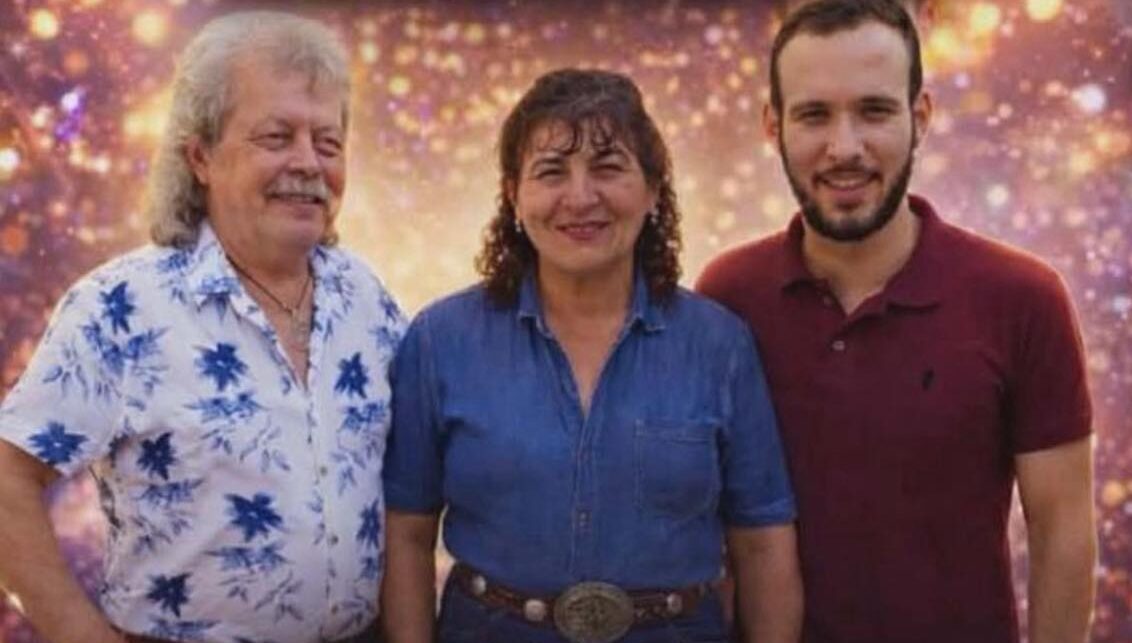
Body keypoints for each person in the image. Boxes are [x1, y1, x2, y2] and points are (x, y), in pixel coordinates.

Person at [696, 1, 1096, 642]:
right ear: (773, 125)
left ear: (921, 116)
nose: (844, 148)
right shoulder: (727, 295)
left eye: (874, 111)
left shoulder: (1023, 298)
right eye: (814, 115)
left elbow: (1063, 529)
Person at [0, 11, 404, 643]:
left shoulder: (366, 296)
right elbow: (8, 479)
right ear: (201, 157)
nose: (308, 163)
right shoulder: (120, 306)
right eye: (276, 137)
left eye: (328, 143)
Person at [381, 68, 801, 643]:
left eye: (607, 168)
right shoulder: (439, 341)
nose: (580, 198)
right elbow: (407, 534)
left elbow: (762, 542)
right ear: (513, 195)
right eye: (551, 171)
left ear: (653, 190)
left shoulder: (720, 346)